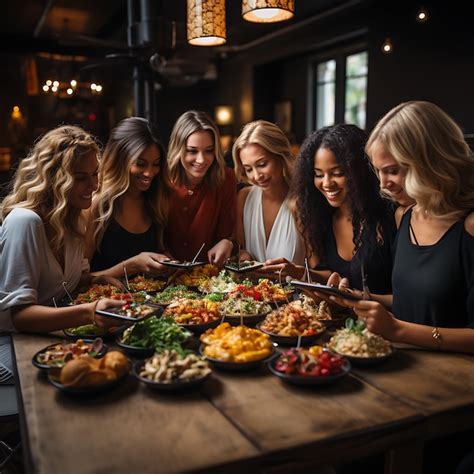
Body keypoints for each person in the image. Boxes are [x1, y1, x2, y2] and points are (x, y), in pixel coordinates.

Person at [337, 101, 474, 353]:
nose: (383, 184)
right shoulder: (407, 216)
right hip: (401, 366)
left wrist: (398, 330)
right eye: (378, 171)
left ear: (430, 160)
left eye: (392, 171)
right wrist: (359, 299)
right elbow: (414, 301)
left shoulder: (469, 226)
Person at [0, 125, 124, 334]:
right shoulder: (25, 222)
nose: (94, 185)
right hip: (12, 343)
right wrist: (90, 312)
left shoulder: (74, 217)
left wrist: (97, 279)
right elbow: (20, 317)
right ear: (54, 179)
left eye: (95, 174)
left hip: (53, 337)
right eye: (81, 177)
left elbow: (67, 283)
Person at [264, 124, 396, 296]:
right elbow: (333, 275)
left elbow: (408, 297)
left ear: (360, 171)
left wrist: (361, 297)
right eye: (319, 174)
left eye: (337, 173)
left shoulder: (390, 217)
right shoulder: (322, 217)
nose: (326, 183)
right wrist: (299, 272)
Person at [86, 117, 172, 278]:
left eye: (155, 164)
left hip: (151, 301)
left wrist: (167, 263)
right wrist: (131, 266)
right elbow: (78, 281)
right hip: (105, 301)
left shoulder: (156, 200)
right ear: (119, 160)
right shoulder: (96, 205)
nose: (149, 173)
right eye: (140, 164)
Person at [164, 110, 237, 266]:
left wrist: (228, 242)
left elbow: (230, 233)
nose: (201, 159)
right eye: (192, 151)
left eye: (209, 151)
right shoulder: (161, 181)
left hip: (211, 279)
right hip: (163, 277)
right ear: (178, 149)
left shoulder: (226, 179)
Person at [232, 120, 305, 264]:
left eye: (262, 164)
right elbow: (241, 250)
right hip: (249, 287)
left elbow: (316, 269)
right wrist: (243, 256)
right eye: (248, 169)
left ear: (281, 156)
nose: (257, 175)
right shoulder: (243, 198)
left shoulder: (300, 202)